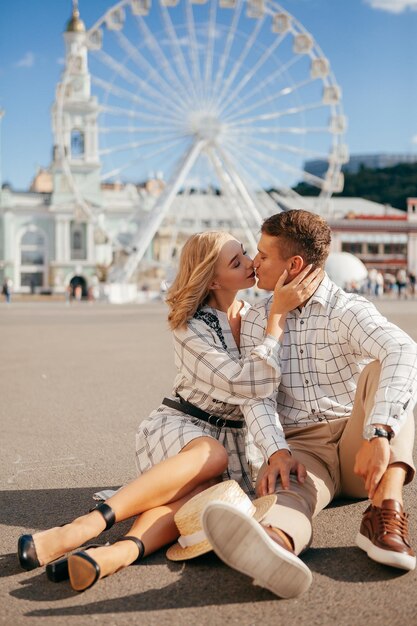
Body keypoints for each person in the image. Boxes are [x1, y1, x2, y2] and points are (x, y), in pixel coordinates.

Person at [17, 231, 321, 592]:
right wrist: (276, 323)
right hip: (183, 427)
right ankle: (85, 527)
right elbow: (245, 385)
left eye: (245, 254)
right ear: (211, 278)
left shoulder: (254, 316)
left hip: (234, 442)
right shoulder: (189, 325)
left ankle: (117, 554)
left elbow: (264, 394)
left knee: (206, 495)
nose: (251, 262)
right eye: (236, 261)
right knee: (211, 454)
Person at [202, 210, 417, 599]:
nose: (255, 262)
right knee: (290, 494)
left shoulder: (345, 310)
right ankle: (273, 545)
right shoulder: (256, 323)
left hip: (359, 445)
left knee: (385, 369)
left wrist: (378, 433)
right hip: (303, 448)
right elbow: (257, 395)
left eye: (264, 255)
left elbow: (405, 350)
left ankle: (386, 512)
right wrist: (276, 452)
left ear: (294, 265)